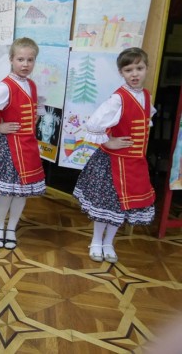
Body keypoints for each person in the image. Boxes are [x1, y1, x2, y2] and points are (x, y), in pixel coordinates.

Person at [73, 47, 156, 264]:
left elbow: (144, 121)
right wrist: (109, 142)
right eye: (128, 70)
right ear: (121, 73)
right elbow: (94, 124)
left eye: (139, 68)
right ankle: (96, 241)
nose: (134, 74)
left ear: (147, 68)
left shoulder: (146, 96)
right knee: (106, 205)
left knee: (121, 207)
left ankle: (109, 242)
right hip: (113, 162)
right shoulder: (118, 99)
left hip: (134, 163)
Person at [0, 37, 45, 250]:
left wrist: (31, 121)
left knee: (22, 191)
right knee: (6, 192)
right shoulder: (6, 87)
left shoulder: (32, 85)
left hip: (27, 146)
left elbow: (36, 110)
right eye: (20, 59)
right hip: (9, 147)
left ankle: (11, 228)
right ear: (11, 59)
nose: (25, 64)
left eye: (30, 60)